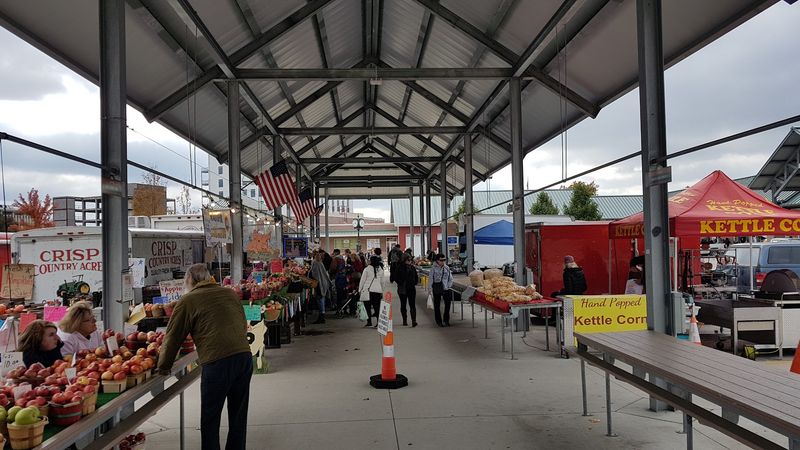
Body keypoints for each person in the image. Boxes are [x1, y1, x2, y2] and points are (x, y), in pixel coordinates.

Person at [157, 264, 252, 450]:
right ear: (209, 278)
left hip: (217, 362)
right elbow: (242, 324)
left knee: (210, 417)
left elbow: (173, 336)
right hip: (243, 357)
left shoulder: (188, 300)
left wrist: (164, 366)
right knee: (238, 415)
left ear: (190, 280)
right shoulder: (229, 294)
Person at [359, 255, 386, 327]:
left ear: (370, 261)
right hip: (377, 291)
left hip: (367, 290)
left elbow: (362, 280)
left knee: (367, 307)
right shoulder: (380, 270)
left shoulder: (367, 269)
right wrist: (382, 290)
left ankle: (369, 322)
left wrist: (360, 290)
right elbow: (383, 282)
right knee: (377, 308)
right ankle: (378, 322)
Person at [429, 253, 454, 327]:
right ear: (437, 260)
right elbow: (430, 279)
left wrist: (448, 286)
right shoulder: (433, 268)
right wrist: (430, 289)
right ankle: (439, 321)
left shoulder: (447, 268)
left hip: (446, 288)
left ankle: (446, 320)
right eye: (441, 260)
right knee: (437, 305)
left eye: (444, 260)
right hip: (437, 288)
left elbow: (451, 278)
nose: (443, 262)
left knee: (448, 305)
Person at [396, 253, 420, 327]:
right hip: (402, 289)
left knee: (412, 305)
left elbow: (416, 277)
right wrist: (401, 282)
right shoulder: (399, 267)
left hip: (411, 288)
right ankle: (405, 320)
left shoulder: (412, 268)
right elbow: (396, 277)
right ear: (404, 260)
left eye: (410, 260)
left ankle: (414, 321)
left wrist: (415, 282)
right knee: (403, 305)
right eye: (408, 260)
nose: (410, 261)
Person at [310, 251, 332, 324]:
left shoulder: (315, 262)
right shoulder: (320, 262)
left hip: (319, 283)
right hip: (323, 282)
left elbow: (314, 274)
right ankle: (322, 315)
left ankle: (321, 316)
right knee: (322, 299)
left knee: (320, 299)